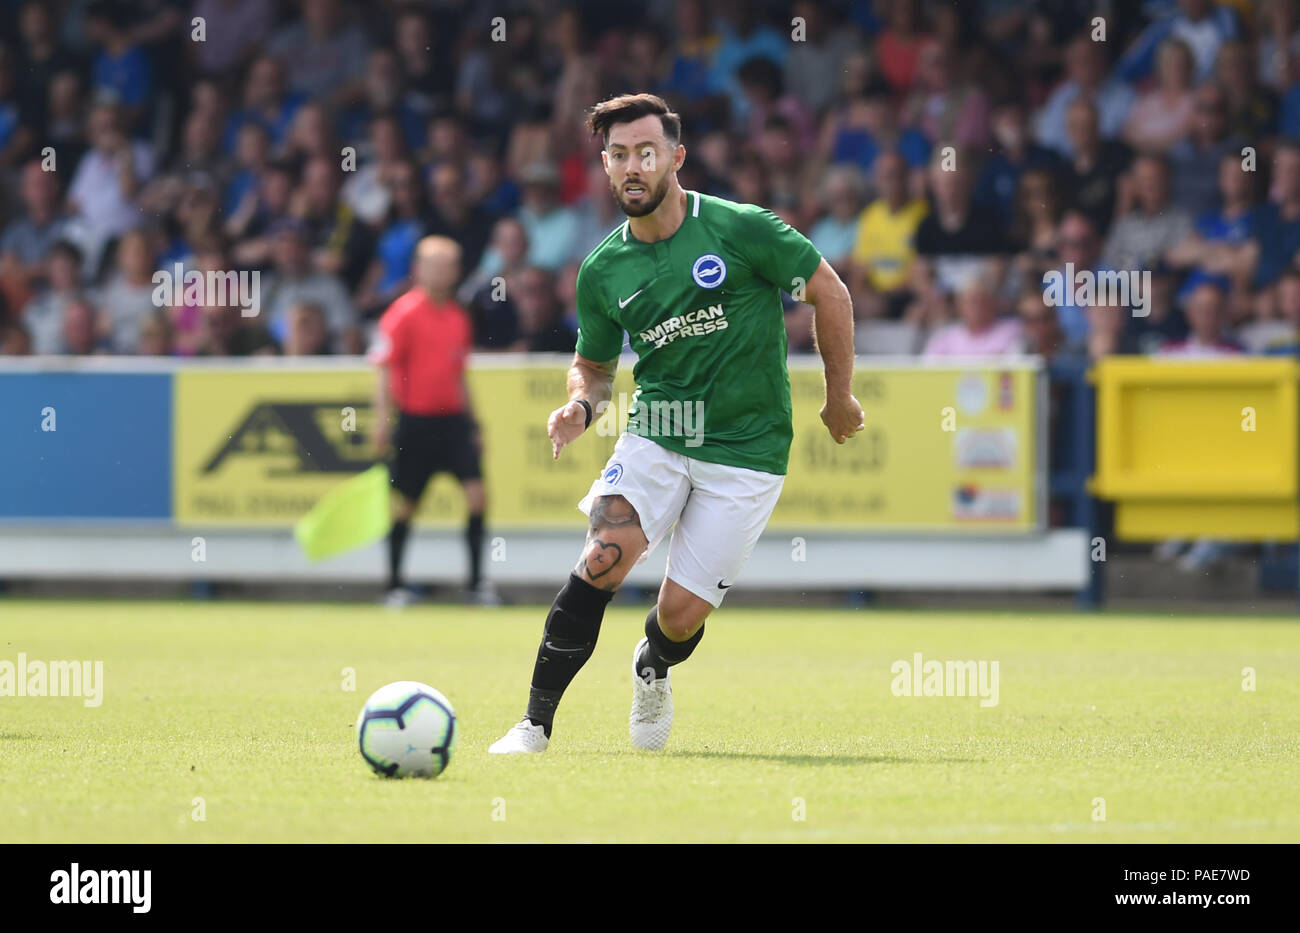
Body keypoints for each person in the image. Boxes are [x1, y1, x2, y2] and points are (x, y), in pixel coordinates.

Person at [488, 93, 863, 755]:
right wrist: (581, 405)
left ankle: (653, 665)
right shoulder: (603, 270)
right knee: (601, 560)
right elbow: (595, 367)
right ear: (605, 166)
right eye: (618, 154)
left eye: (645, 151)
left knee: (679, 619)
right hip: (658, 431)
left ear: (675, 157)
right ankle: (534, 726)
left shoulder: (741, 228)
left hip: (748, 450)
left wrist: (839, 397)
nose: (631, 165)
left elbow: (829, 292)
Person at [371, 235, 496, 608]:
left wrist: (474, 424)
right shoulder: (402, 314)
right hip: (416, 423)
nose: (442, 273)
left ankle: (476, 585)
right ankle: (393, 585)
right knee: (405, 505)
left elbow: (460, 375)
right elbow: (384, 369)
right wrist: (383, 420)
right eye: (434, 265)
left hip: (454, 424)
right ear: (419, 270)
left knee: (477, 498)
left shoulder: (459, 317)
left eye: (448, 266)